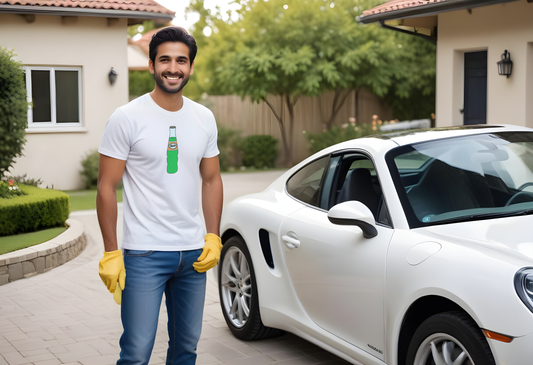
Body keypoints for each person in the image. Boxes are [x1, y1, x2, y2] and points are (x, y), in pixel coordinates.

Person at [96, 26, 223, 365]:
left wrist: (213, 236)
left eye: (181, 60)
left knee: (186, 350)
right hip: (144, 255)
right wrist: (111, 252)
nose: (173, 67)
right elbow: (106, 186)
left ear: (191, 67)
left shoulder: (204, 118)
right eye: (164, 59)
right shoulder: (126, 118)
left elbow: (211, 179)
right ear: (151, 65)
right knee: (136, 353)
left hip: (194, 255)